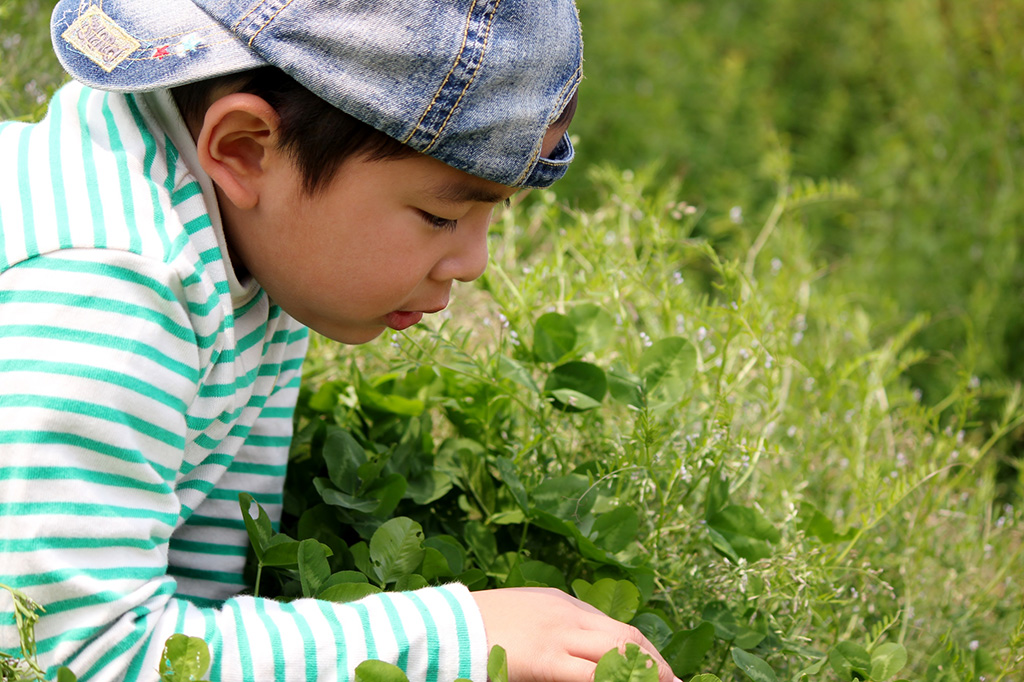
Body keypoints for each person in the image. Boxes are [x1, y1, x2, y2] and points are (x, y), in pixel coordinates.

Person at [0, 1, 678, 681]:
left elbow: (197, 582)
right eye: (441, 215)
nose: (474, 262)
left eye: (490, 212)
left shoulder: (248, 237)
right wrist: (459, 637)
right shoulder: (111, 298)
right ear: (243, 147)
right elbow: (68, 654)